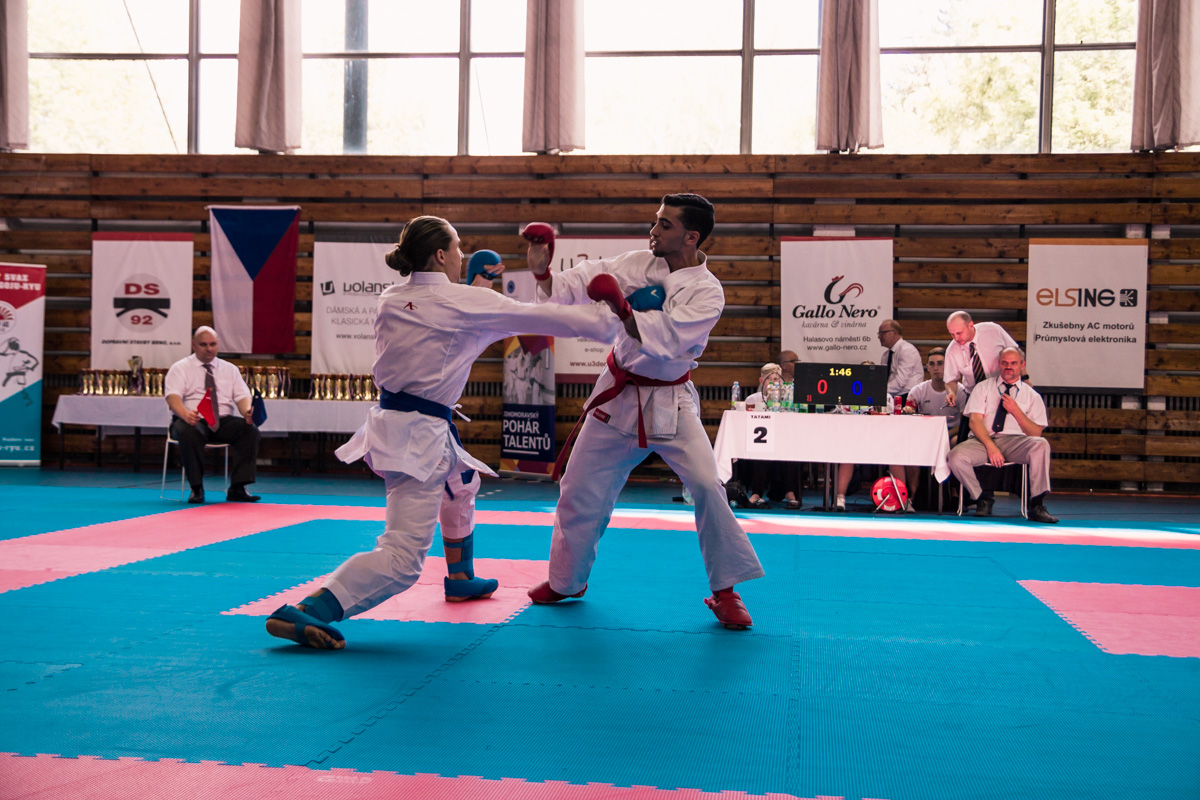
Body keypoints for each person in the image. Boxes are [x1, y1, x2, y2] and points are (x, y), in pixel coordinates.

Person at [265, 216, 620, 649]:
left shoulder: (394, 297)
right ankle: (310, 611)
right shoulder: (461, 302)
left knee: (461, 484)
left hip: (398, 424)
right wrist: (616, 315)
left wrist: (477, 295)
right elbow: (543, 317)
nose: (462, 255)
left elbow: (452, 317)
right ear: (440, 254)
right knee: (401, 559)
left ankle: (461, 577)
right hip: (418, 438)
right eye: (457, 247)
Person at [523, 193, 765, 630]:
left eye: (665, 224)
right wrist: (543, 272)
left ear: (691, 237)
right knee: (577, 488)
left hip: (671, 400)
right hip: (617, 394)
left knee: (707, 485)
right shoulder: (639, 263)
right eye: (656, 221)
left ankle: (726, 590)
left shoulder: (707, 291)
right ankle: (567, 581)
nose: (653, 230)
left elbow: (669, 338)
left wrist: (622, 307)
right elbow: (586, 278)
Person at [947, 346, 1058, 524]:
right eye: (1005, 363)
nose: (1008, 367)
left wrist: (1016, 411)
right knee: (955, 456)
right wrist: (991, 447)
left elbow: (1035, 432)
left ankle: (1037, 504)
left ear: (1022, 365)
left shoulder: (1032, 395)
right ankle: (981, 498)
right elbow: (974, 422)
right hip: (983, 441)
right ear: (999, 364)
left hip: (1016, 442)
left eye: (1013, 363)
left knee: (1041, 444)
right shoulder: (983, 387)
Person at [164, 326, 262, 504]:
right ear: (194, 345)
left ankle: (238, 488)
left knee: (249, 430)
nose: (209, 349)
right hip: (192, 419)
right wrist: (186, 414)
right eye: (203, 345)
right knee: (189, 431)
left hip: (222, 421)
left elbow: (242, 396)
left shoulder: (230, 369)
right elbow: (172, 397)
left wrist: (247, 412)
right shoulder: (180, 368)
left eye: (212, 344)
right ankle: (196, 488)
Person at [894, 347, 962, 509]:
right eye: (932, 364)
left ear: (948, 366)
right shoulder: (918, 390)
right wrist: (909, 410)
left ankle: (954, 493)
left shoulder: (961, 391)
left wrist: (943, 436)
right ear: (927, 367)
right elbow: (909, 412)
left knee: (957, 445)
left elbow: (965, 422)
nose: (936, 367)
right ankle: (912, 496)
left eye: (940, 363)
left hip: (951, 435)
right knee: (909, 447)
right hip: (925, 437)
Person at [737, 362, 802, 509]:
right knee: (760, 452)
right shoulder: (752, 399)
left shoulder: (788, 399)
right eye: (769, 380)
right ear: (761, 381)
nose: (774, 383)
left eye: (776, 379)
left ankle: (790, 493)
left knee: (790, 451)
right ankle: (756, 493)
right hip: (760, 441)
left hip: (783, 440)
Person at [943, 311, 1018, 409]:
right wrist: (951, 393)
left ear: (970, 325)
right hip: (974, 396)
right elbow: (950, 380)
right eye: (952, 334)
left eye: (959, 333)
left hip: (1005, 391)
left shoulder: (993, 330)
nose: (956, 338)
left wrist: (1025, 378)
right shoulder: (952, 349)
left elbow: (1017, 354)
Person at [877, 319, 923, 404]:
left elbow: (900, 381)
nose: (879, 336)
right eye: (879, 333)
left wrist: (879, 392)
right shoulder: (886, 355)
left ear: (894, 333)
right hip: (891, 396)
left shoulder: (907, 350)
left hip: (909, 398)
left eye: (882, 333)